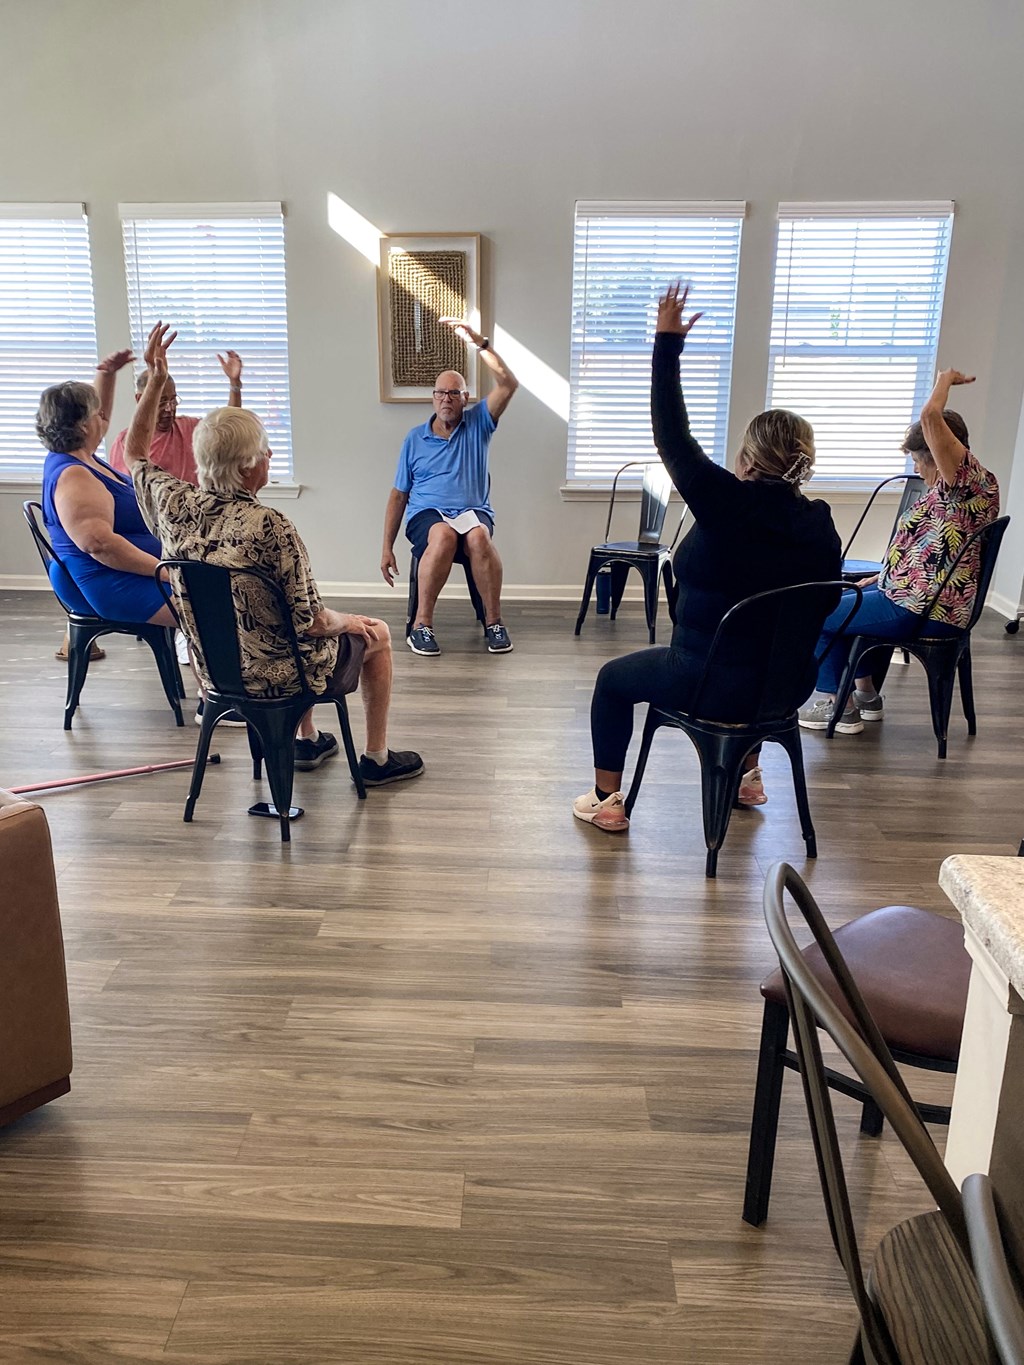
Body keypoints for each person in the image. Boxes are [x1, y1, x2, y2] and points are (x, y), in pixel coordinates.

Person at [573, 282, 841, 831]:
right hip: (786, 686)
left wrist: (666, 344)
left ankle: (606, 802)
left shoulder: (728, 504)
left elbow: (673, 437)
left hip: (705, 678)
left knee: (612, 679)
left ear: (746, 458)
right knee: (759, 648)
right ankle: (747, 774)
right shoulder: (819, 522)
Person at [125, 323, 423, 784]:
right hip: (279, 677)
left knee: (278, 621)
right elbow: (314, 622)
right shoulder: (271, 526)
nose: (269, 457)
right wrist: (352, 621)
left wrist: (155, 376)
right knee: (376, 631)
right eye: (265, 452)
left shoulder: (173, 503)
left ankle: (306, 740)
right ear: (249, 467)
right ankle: (378, 759)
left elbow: (134, 454)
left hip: (215, 674)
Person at [798, 369, 1000, 735]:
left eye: (918, 460)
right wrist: (882, 577)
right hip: (916, 596)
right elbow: (929, 554)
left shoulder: (965, 484)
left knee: (815, 609)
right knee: (844, 594)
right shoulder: (955, 490)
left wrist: (944, 380)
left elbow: (930, 418)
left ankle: (835, 706)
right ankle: (866, 697)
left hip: (925, 609)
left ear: (939, 453)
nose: (916, 469)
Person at [380, 319, 519, 656]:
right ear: (433, 398)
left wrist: (480, 344)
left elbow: (509, 383)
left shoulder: (479, 423)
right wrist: (386, 547)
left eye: (453, 393)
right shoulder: (415, 439)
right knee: (443, 534)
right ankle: (421, 627)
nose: (446, 398)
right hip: (427, 516)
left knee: (477, 536)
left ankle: (494, 623)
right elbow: (399, 495)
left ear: (464, 397)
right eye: (440, 392)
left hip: (473, 513)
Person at [37, 356, 178, 633]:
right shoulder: (74, 477)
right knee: (220, 609)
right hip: (115, 584)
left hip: (128, 574)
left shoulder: (82, 455)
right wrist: (166, 572)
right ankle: (225, 673)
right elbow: (99, 545)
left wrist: (107, 374)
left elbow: (98, 412)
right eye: (97, 414)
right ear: (82, 426)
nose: (104, 417)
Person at [108, 348, 244, 482]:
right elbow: (124, 489)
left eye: (173, 400)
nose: (169, 408)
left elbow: (228, 425)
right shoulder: (126, 442)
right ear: (140, 399)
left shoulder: (191, 428)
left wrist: (235, 384)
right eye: (161, 401)